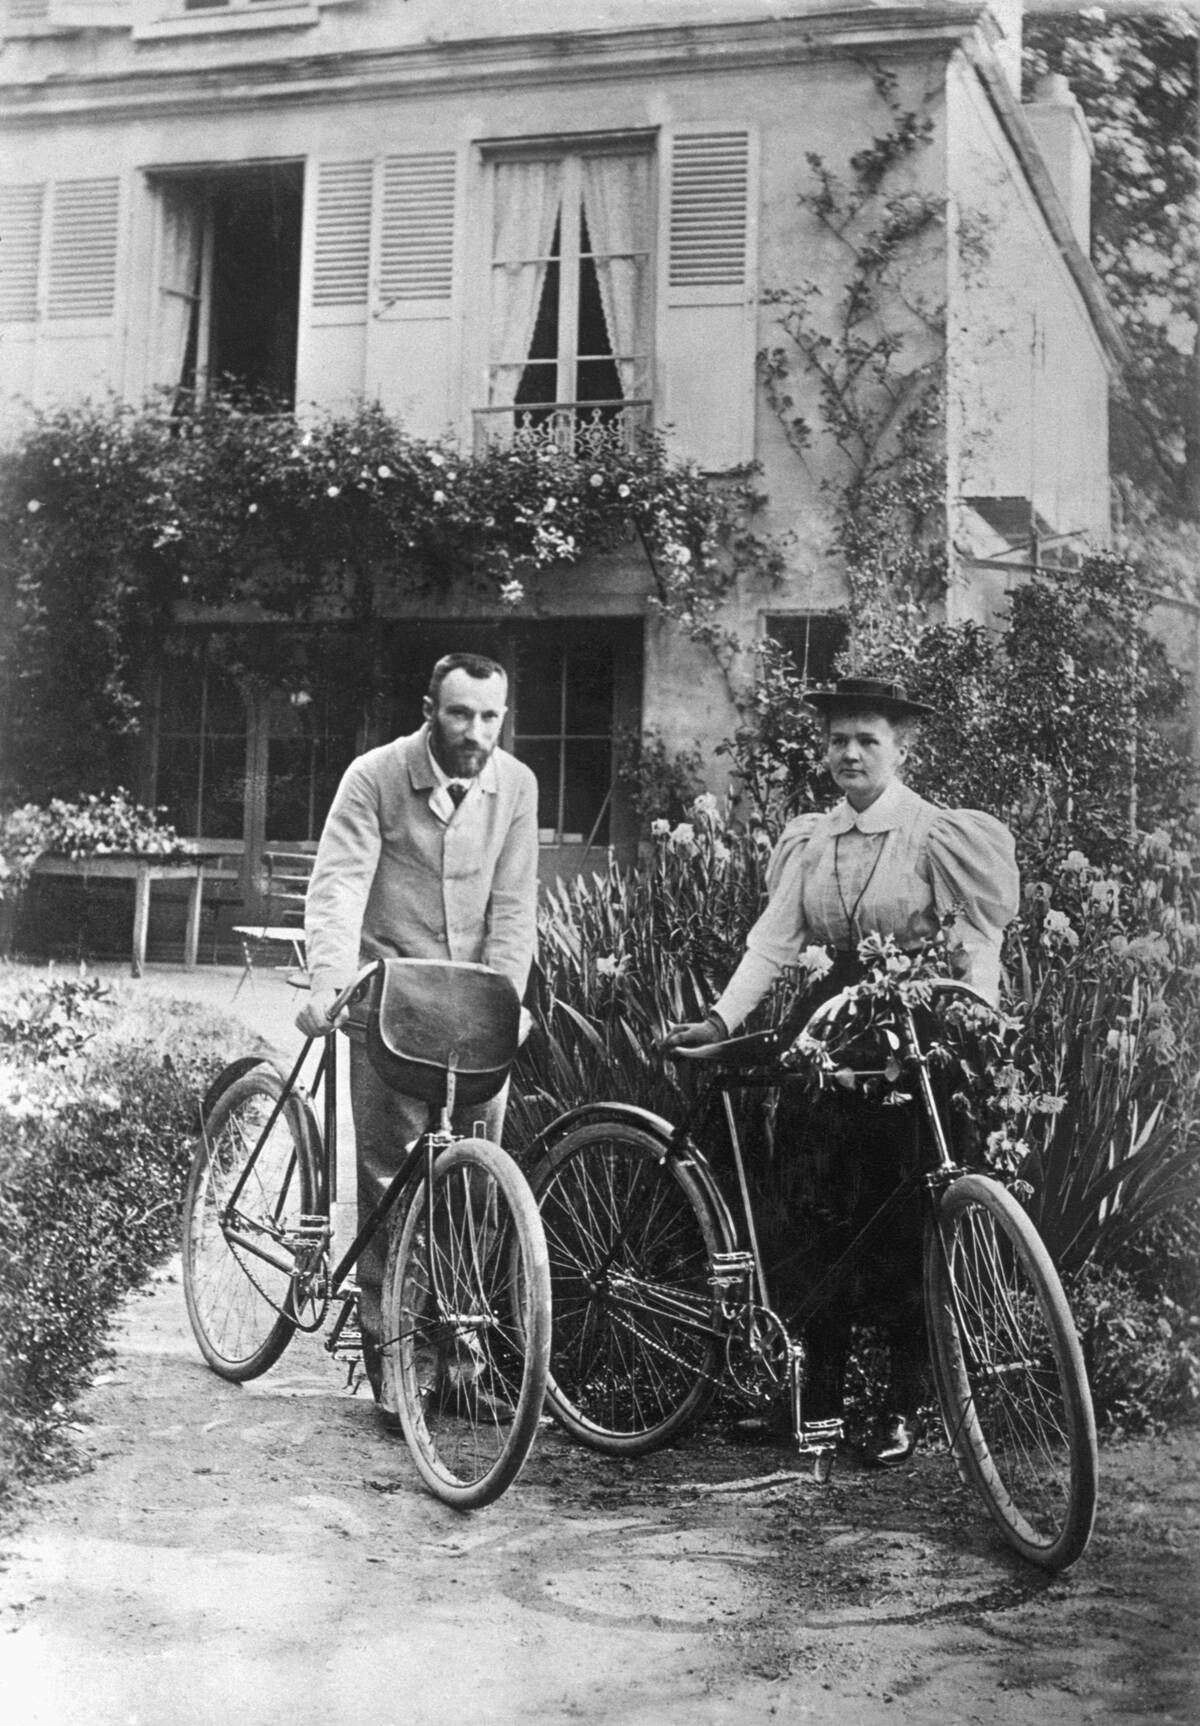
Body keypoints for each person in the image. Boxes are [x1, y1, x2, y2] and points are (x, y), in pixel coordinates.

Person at [666, 675, 1019, 1462]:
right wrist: (723, 1018)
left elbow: (978, 942)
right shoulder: (813, 839)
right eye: (839, 741)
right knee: (809, 1209)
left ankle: (899, 1405)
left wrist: (976, 1015)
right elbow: (773, 941)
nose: (851, 754)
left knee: (904, 1213)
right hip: (826, 1031)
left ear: (901, 749)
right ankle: (812, 1397)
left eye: (868, 740)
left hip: (912, 1030)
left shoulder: (936, 836)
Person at [296, 652, 539, 1428]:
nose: (476, 732)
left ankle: (464, 1368)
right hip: (391, 1004)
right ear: (429, 708)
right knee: (395, 1185)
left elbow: (514, 908)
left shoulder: (517, 788)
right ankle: (398, 1366)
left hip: (472, 1011)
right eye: (461, 713)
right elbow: (338, 884)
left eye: (491, 716)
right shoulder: (375, 776)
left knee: (473, 1188)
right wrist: (332, 980)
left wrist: (509, 998)